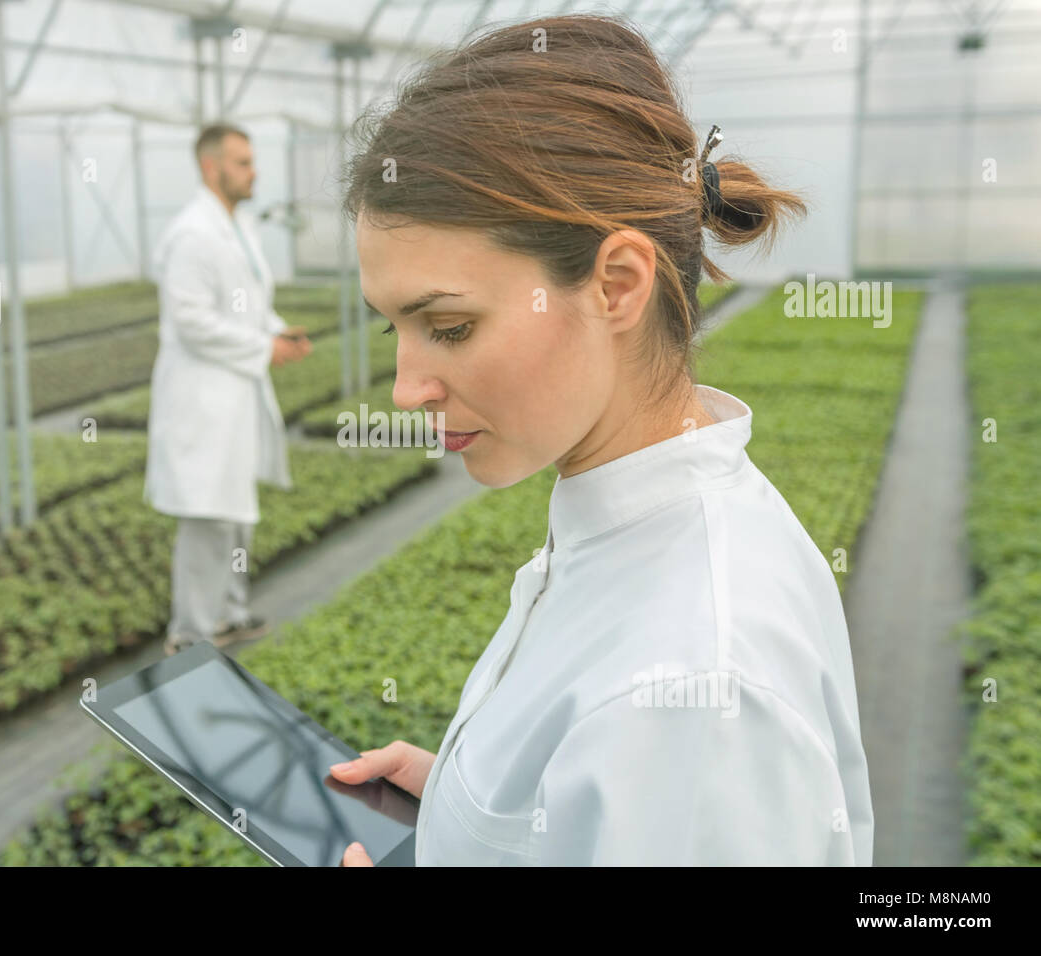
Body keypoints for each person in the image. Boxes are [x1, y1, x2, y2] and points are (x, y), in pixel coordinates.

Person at [329, 14, 874, 865]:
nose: (407, 389)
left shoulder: (700, 691)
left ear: (616, 286)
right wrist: (470, 810)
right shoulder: (624, 526)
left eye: (451, 325)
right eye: (394, 327)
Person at [144, 123, 312, 656]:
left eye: (252, 160)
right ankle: (189, 634)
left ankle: (228, 615)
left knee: (234, 510)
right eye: (242, 162)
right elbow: (191, 321)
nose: (253, 171)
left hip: (233, 394)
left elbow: (248, 305)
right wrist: (262, 347)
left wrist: (275, 331)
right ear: (210, 167)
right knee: (208, 517)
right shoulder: (193, 234)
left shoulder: (236, 226)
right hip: (203, 400)